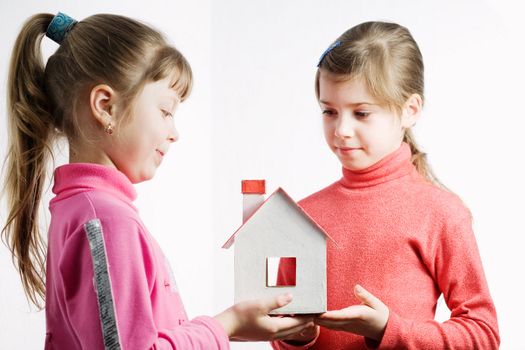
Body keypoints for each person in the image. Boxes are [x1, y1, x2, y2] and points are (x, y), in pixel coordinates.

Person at [1, 12, 314, 349]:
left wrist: (230, 327)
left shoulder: (82, 209)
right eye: (166, 111)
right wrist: (226, 324)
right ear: (105, 106)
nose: (174, 132)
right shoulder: (106, 221)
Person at [271, 21, 499, 349]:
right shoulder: (301, 216)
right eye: (329, 111)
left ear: (410, 110)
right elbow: (281, 330)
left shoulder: (442, 213)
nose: (341, 130)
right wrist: (294, 337)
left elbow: (483, 335)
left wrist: (389, 330)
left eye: (361, 113)